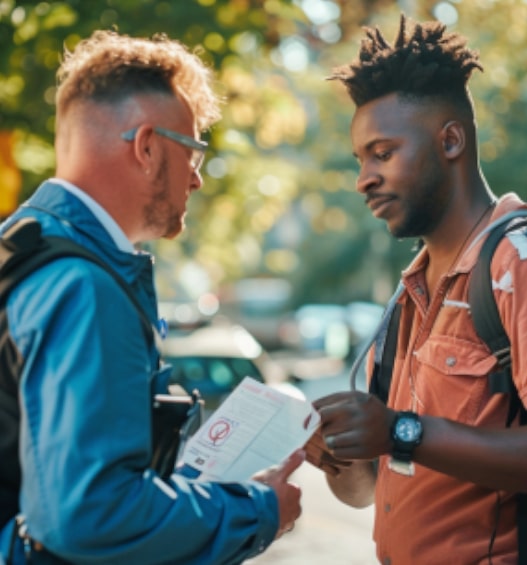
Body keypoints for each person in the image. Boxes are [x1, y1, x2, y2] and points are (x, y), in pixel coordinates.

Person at [0, 30, 305, 565]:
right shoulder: (84, 288)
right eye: (194, 152)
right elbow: (88, 517)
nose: (196, 180)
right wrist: (259, 509)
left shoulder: (21, 248)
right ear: (146, 146)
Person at [310, 14, 527, 564]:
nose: (363, 179)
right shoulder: (407, 297)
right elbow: (367, 489)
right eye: (360, 160)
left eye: (383, 152)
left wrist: (401, 430)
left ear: (451, 140)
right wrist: (336, 451)